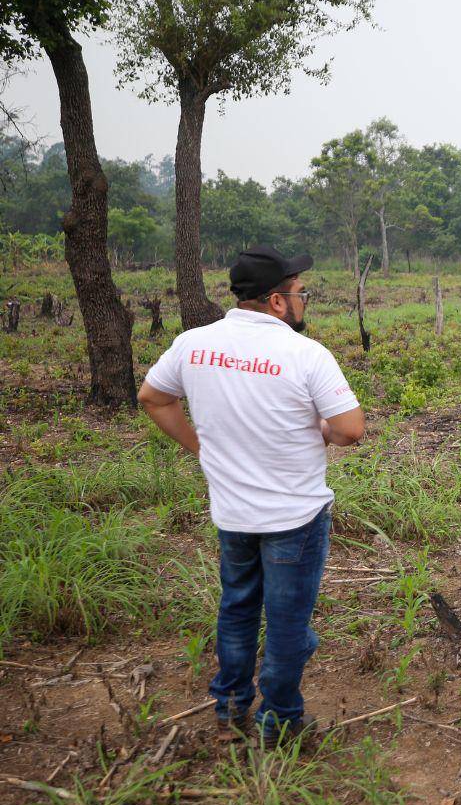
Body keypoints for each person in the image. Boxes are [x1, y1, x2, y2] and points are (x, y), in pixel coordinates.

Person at [138, 246, 364, 747]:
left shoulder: (193, 345)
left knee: (237, 607)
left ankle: (231, 710)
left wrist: (201, 446)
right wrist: (320, 428)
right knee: (287, 623)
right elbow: (350, 429)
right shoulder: (306, 355)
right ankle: (280, 720)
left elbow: (153, 397)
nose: (305, 300)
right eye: (301, 292)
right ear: (278, 301)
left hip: (232, 513)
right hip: (295, 517)